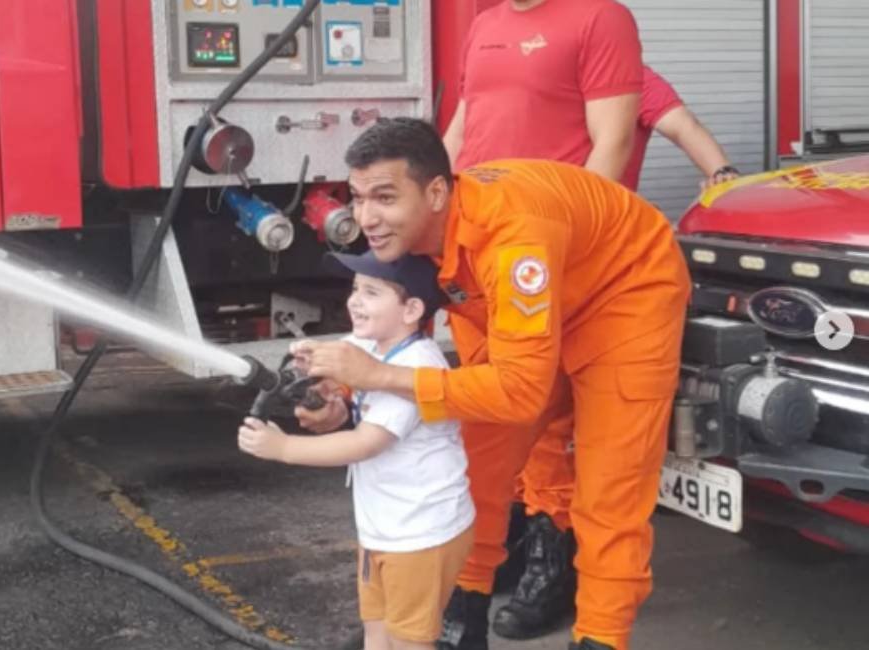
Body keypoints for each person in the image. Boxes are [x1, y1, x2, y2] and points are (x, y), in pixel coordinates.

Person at [292, 118, 690, 650]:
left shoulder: (513, 237)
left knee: (610, 484)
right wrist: (341, 396)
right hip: (520, 303)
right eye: (358, 197)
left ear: (436, 193)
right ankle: (459, 612)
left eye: (384, 197)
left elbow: (521, 391)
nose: (367, 218)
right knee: (476, 456)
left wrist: (379, 377)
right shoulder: (408, 233)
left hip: (623, 292)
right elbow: (388, 329)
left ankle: (601, 635)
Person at [496, 64, 741, 641]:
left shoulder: (627, 77)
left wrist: (725, 178)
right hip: (520, 263)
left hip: (603, 266)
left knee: (603, 446)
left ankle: (575, 587)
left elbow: (685, 128)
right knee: (531, 422)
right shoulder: (515, 67)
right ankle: (539, 558)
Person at [238, 251, 475, 650]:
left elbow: (367, 442)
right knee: (376, 632)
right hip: (384, 529)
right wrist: (311, 374)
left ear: (412, 309)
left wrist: (283, 448)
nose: (354, 301)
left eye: (371, 292)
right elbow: (330, 369)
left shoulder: (417, 367)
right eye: (353, 289)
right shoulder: (368, 345)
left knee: (409, 641)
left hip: (421, 533)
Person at [443, 0, 644, 185]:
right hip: (471, 204)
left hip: (546, 210)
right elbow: (460, 131)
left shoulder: (602, 17)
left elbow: (613, 142)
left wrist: (577, 217)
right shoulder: (483, 23)